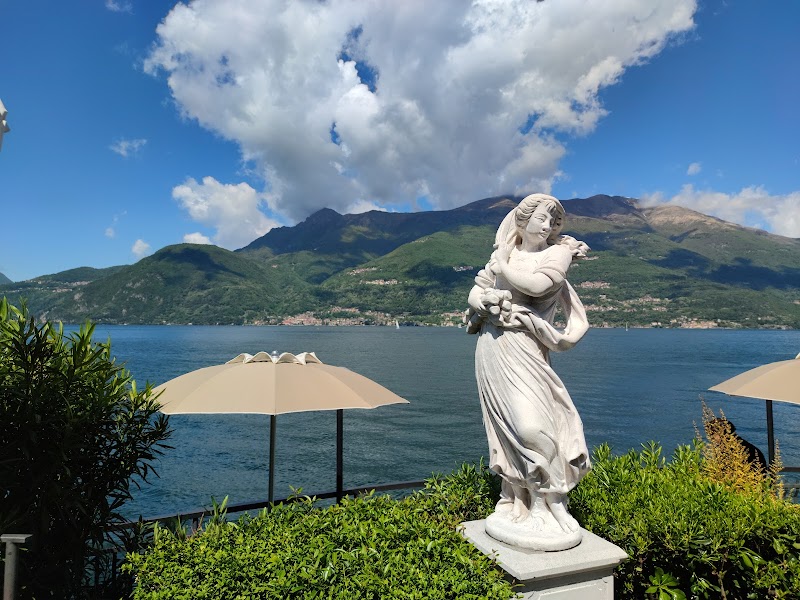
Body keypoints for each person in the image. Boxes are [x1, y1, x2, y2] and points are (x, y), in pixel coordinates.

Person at [465, 193, 591, 550]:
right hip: (493, 346)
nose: (549, 227)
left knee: (531, 425)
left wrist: (504, 266)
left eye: (554, 222)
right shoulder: (504, 254)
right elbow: (476, 292)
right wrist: (485, 300)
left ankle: (548, 503)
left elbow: (539, 286)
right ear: (523, 221)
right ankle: (518, 498)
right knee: (506, 430)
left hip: (526, 348)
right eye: (542, 219)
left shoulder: (557, 253)